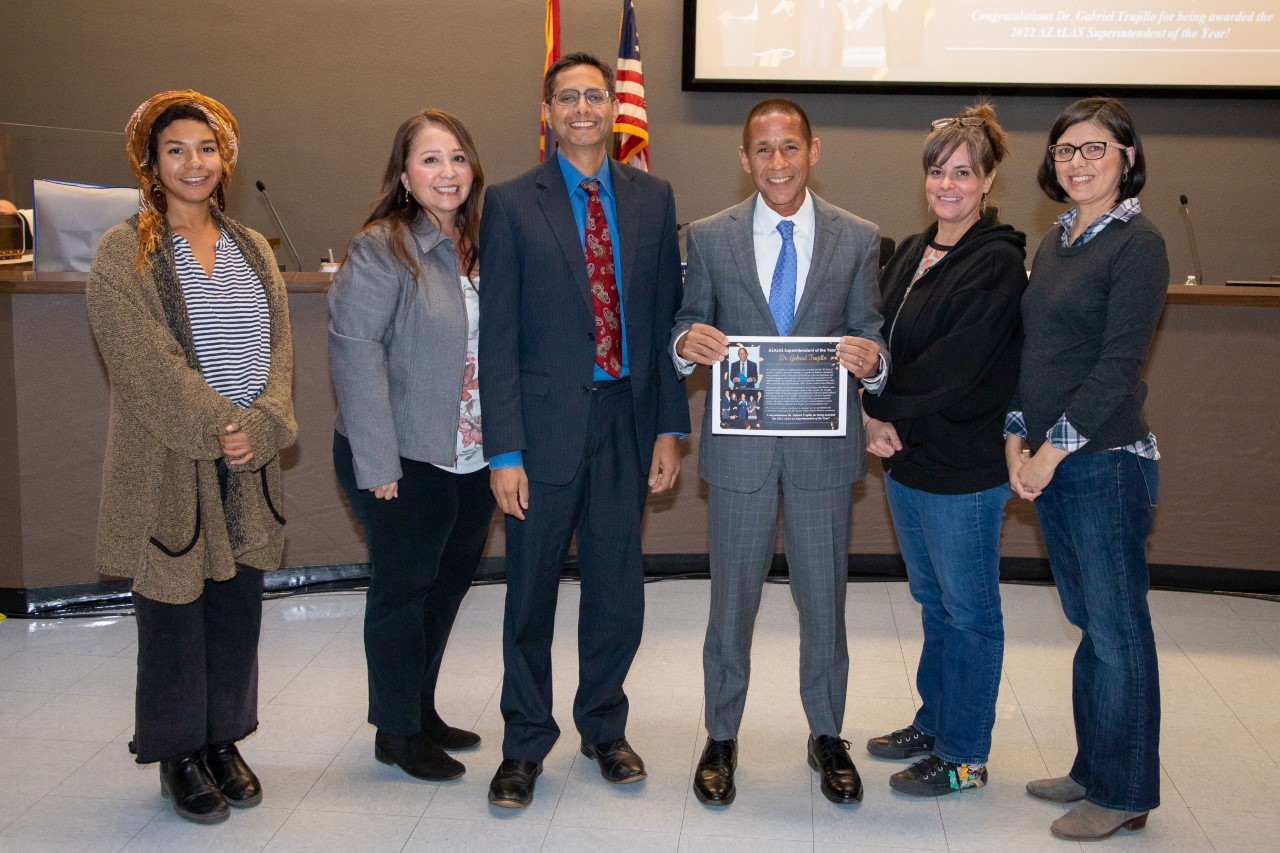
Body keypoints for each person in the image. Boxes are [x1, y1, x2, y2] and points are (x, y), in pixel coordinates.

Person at [478, 51, 689, 808]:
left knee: (615, 588)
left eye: (594, 95)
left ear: (613, 106)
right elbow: (495, 337)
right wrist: (502, 448)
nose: (582, 109)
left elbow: (665, 318)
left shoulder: (652, 197)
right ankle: (525, 742)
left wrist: (669, 429)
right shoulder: (509, 201)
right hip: (540, 432)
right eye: (566, 97)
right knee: (528, 594)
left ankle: (604, 725)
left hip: (626, 424)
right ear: (548, 111)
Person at [86, 90, 296, 824]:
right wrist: (218, 423)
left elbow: (279, 353)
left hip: (246, 463)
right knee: (174, 610)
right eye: (175, 149)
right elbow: (145, 363)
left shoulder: (252, 248)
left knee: (236, 606)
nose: (193, 162)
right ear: (151, 162)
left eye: (205, 148)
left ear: (225, 158)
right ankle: (178, 753)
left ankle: (223, 739)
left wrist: (263, 424)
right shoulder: (124, 251)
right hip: (172, 463)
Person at [672, 98, 887, 807]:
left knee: (823, 601)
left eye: (789, 147)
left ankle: (828, 734)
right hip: (740, 458)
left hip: (824, 456)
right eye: (763, 150)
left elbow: (871, 330)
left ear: (813, 151)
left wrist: (872, 360)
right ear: (744, 160)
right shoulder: (708, 237)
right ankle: (722, 735)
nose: (778, 162)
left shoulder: (858, 238)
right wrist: (685, 345)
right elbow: (685, 319)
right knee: (730, 604)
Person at [1007, 97, 1168, 842]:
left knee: (1118, 627)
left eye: (1095, 149)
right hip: (1055, 462)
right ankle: (1092, 766)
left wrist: (1051, 449)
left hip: (1103, 463)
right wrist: (1017, 434)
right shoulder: (1060, 240)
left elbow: (1116, 368)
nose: (1077, 161)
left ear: (1127, 158)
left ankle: (1125, 790)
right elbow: (1035, 353)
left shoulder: (1139, 243)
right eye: (1066, 149)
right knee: (1090, 624)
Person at [860, 101, 1027, 796]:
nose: (948, 185)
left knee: (970, 612)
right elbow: (879, 346)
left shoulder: (995, 263)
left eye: (963, 173)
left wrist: (880, 405)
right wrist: (870, 416)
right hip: (908, 460)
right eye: (937, 172)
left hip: (963, 468)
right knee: (933, 601)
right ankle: (934, 721)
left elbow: (953, 368)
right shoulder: (912, 249)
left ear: (988, 181)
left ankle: (966, 752)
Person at [329, 109, 496, 782]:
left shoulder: (483, 245)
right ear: (404, 174)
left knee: (445, 586)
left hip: (471, 455)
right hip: (402, 453)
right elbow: (354, 353)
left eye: (458, 158)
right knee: (402, 592)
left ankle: (420, 707)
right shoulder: (383, 246)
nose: (447, 172)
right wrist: (378, 462)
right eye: (430, 160)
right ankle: (395, 731)